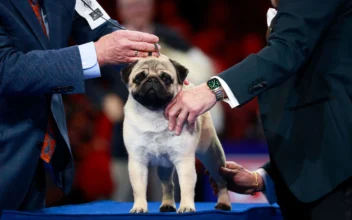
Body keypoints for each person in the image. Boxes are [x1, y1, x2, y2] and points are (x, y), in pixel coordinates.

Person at [165, 0, 352, 219]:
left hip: (338, 183)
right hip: (319, 179)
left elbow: (286, 52)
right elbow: (316, 96)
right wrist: (264, 179)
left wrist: (211, 89)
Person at [0, 0, 160, 211]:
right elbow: (6, 69)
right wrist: (96, 53)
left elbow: (101, 27)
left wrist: (157, 66)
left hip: (36, 151)